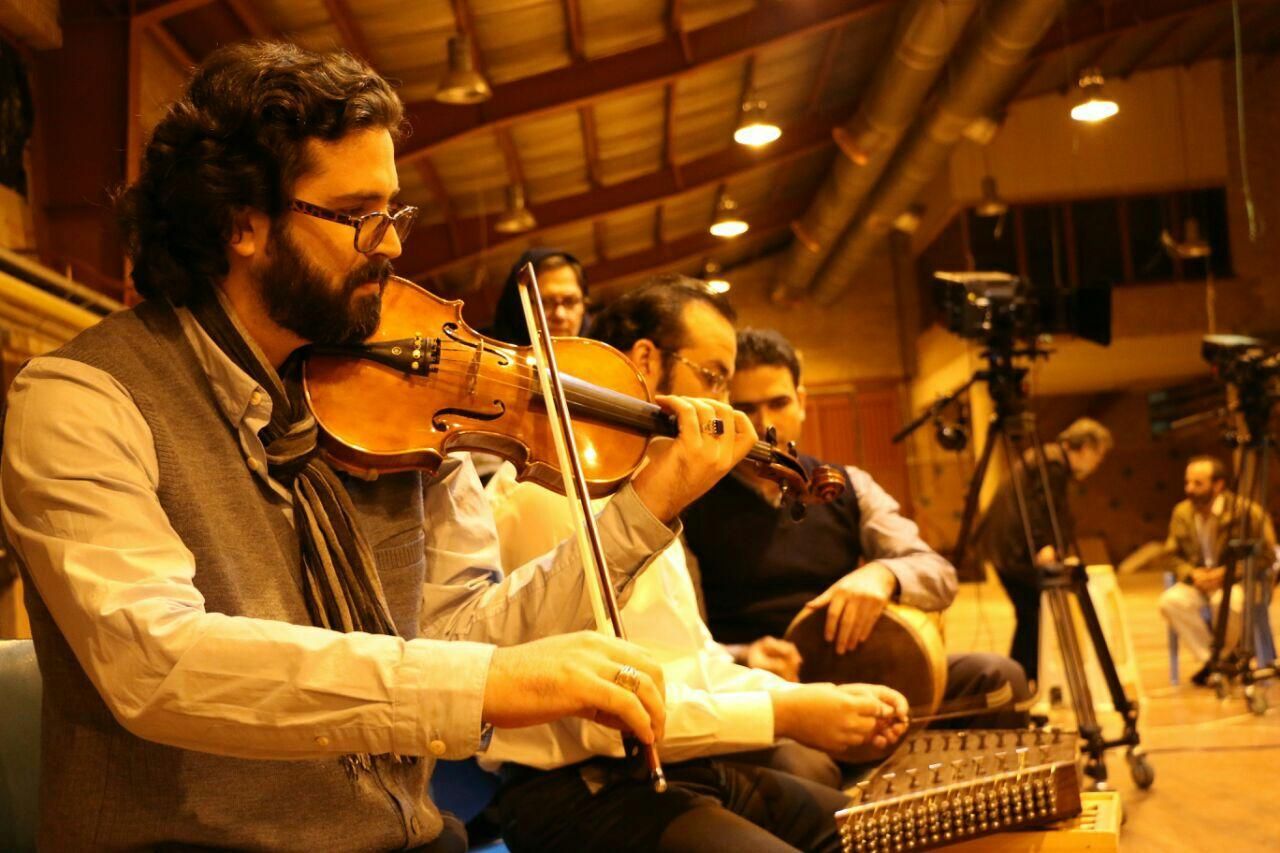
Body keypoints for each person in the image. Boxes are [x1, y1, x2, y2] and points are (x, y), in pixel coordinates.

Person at [0, 43, 753, 852]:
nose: (390, 245)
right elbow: (157, 660)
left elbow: (464, 639)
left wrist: (645, 507)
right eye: (360, 216)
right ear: (242, 223)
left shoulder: (399, 404)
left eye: (394, 214)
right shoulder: (81, 398)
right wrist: (493, 682)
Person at [481, 276, 907, 852]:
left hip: (675, 769)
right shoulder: (551, 492)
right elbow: (605, 716)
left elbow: (693, 662)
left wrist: (818, 697)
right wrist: (787, 715)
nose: (727, 408)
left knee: (882, 830)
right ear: (647, 360)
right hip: (580, 793)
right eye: (714, 378)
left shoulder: (645, 486)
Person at [682, 329, 1030, 784]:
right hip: (770, 698)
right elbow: (682, 642)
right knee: (802, 767)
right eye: (745, 409)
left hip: (866, 678)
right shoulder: (692, 504)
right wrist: (742, 656)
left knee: (998, 678)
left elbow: (938, 574)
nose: (765, 422)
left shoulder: (849, 485)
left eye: (779, 403)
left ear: (802, 401)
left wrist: (884, 574)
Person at [971, 417, 1112, 683]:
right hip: (1014, 549)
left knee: (1030, 611)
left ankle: (1021, 675)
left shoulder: (1046, 457)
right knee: (1032, 611)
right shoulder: (1053, 464)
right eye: (1098, 455)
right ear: (1086, 447)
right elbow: (1039, 508)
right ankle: (1019, 676)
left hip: (1005, 545)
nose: (1097, 463)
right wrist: (1042, 545)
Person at [1159, 455, 1277, 684]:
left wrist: (1227, 574)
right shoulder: (1181, 513)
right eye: (1188, 482)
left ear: (1218, 485)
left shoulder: (1244, 512)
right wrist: (1191, 574)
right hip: (1199, 582)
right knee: (1169, 602)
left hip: (1238, 583)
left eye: (1198, 483)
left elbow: (1266, 555)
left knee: (1226, 603)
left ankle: (1217, 663)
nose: (1190, 489)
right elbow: (1170, 555)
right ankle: (1217, 662)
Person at [488, 248, 589, 343]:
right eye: (544, 302)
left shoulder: (600, 355)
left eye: (570, 301)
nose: (559, 315)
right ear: (518, 307)